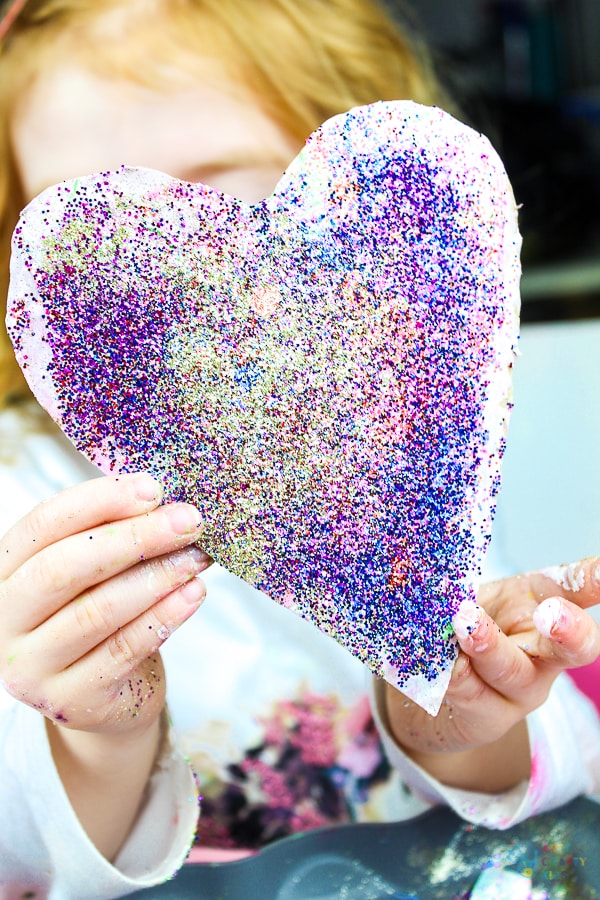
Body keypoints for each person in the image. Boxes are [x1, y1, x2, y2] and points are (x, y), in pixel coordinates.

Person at [0, 0, 598, 896]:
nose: (170, 271)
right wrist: (97, 733)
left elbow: (553, 764)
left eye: (216, 196)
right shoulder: (24, 497)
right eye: (101, 241)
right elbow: (27, 855)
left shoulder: (415, 450)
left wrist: (454, 720)